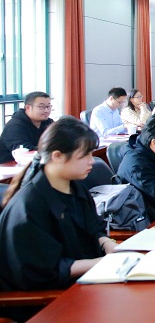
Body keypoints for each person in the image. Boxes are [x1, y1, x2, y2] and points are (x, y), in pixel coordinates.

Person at [0, 117, 118, 294]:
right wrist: (99, 263)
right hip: (50, 296)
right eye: (85, 155)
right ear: (57, 156)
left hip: (88, 280)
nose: (92, 161)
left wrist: (106, 243)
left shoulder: (75, 187)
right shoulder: (29, 206)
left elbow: (93, 228)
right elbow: (42, 272)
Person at [0, 91, 54, 163]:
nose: (46, 110)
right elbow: (24, 151)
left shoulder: (48, 122)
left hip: (39, 162)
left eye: (48, 106)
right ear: (28, 108)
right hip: (10, 165)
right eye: (41, 107)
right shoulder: (14, 126)